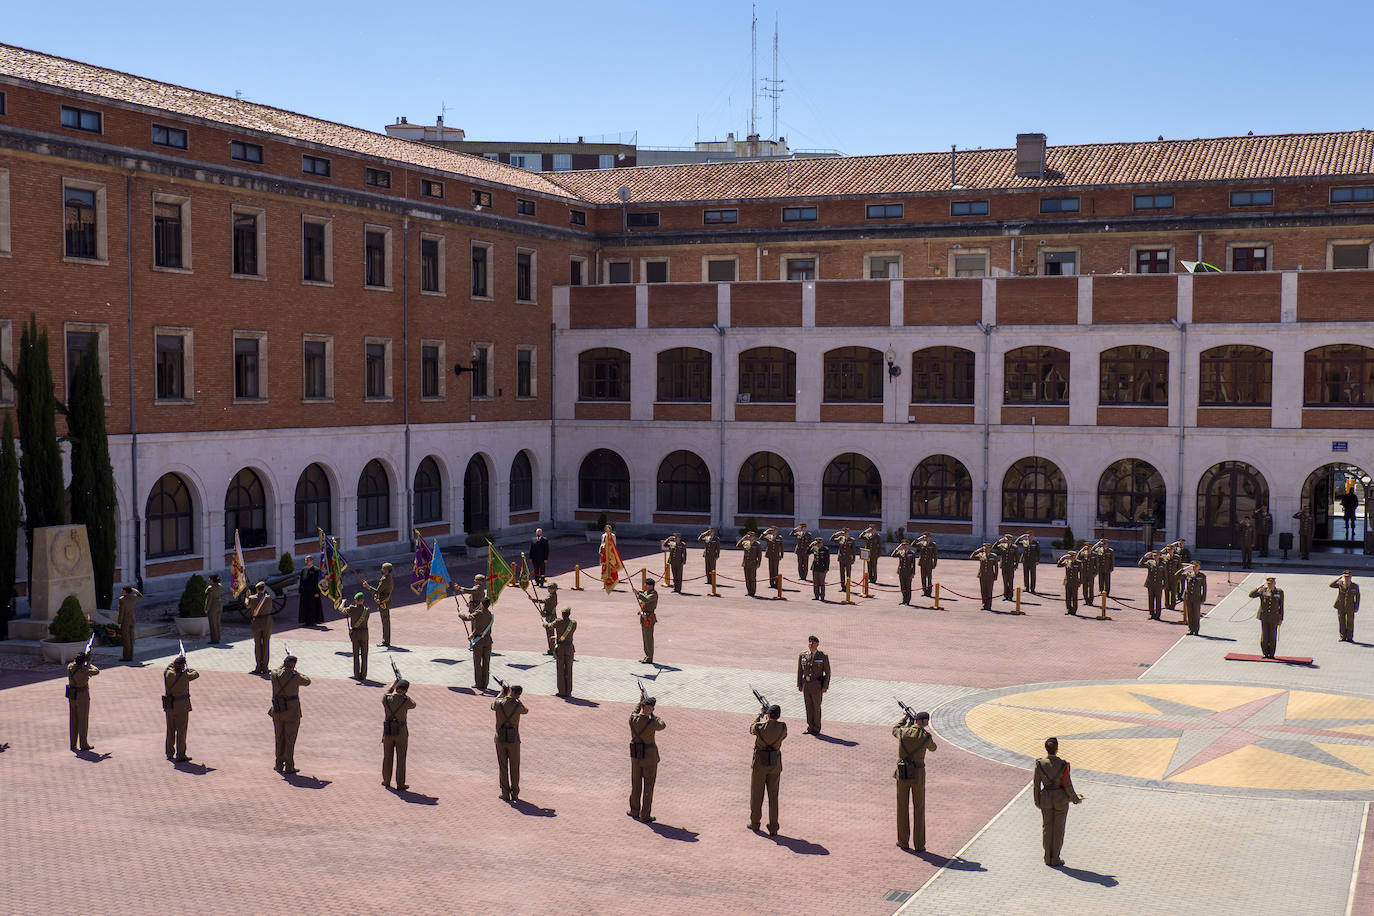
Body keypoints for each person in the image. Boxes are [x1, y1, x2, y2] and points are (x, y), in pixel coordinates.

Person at [1032, 736, 1083, 867]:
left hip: (1045, 799)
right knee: (1058, 829)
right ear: (1057, 749)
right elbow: (1067, 785)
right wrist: (1076, 799)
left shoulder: (1039, 764)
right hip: (1061, 799)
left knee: (1047, 828)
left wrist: (1037, 801)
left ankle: (1047, 857)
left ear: (1046, 749)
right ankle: (1055, 858)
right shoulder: (1063, 764)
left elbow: (1036, 785)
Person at [893, 709, 936, 851]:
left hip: (903, 773)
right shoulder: (926, 736)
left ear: (915, 720)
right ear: (925, 723)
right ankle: (919, 844)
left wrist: (904, 719)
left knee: (902, 807)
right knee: (919, 808)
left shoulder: (904, 733)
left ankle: (903, 841)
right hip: (918, 775)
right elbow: (933, 748)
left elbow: (895, 729)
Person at [748, 704, 787, 836]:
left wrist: (760, 715)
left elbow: (751, 728)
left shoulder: (760, 727)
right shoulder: (782, 727)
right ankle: (774, 827)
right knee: (773, 797)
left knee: (757, 795)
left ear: (768, 715)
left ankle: (755, 823)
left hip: (759, 764)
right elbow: (783, 736)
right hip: (775, 764)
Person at [269, 655, 311, 774]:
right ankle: (289, 766)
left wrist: (285, 665)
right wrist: (295, 670)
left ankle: (278, 764)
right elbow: (307, 681)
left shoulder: (274, 674)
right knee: (290, 739)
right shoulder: (295, 676)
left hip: (277, 710)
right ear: (293, 665)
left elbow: (277, 670)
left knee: (279, 738)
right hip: (291, 712)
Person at [627, 695, 666, 823]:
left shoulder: (632, 719)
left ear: (642, 707)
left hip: (636, 756)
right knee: (648, 786)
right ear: (652, 709)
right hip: (649, 757)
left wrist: (640, 701)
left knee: (636, 784)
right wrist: (653, 715)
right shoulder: (652, 723)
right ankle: (645, 815)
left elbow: (635, 711)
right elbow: (663, 725)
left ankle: (634, 810)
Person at [492, 682, 527, 802]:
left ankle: (505, 793)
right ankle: (515, 793)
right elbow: (525, 711)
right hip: (514, 740)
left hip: (500, 738)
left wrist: (501, 694)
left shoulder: (499, 703)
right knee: (515, 767)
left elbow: (492, 705)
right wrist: (517, 700)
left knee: (503, 766)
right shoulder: (518, 706)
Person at [163, 653, 199, 762]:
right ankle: (181, 754)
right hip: (181, 706)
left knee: (170, 729)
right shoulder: (185, 676)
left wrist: (178, 660)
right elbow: (196, 673)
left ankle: (169, 753)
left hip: (170, 705)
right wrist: (186, 667)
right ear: (182, 666)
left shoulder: (168, 673)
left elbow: (169, 667)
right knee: (181, 731)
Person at [381, 677, 416, 791]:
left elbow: (386, 693)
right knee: (401, 758)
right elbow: (414, 704)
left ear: (396, 687)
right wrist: (404, 695)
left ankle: (386, 781)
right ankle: (400, 784)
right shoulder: (406, 701)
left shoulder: (386, 699)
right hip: (401, 732)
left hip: (388, 731)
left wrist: (392, 685)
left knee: (387, 756)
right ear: (405, 690)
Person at [459, 596, 495, 692]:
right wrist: (473, 634)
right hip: (488, 640)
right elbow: (483, 627)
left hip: (478, 641)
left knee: (477, 662)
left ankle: (479, 683)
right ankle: (485, 683)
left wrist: (460, 612)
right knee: (486, 662)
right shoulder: (490, 615)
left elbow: (468, 617)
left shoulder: (479, 613)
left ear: (482, 604)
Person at [796, 636, 830, 735]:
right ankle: (810, 727)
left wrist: (825, 686)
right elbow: (799, 671)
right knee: (808, 706)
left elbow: (827, 673)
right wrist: (799, 684)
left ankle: (817, 727)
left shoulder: (822, 656)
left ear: (817, 644)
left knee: (816, 706)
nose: (810, 645)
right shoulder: (803, 655)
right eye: (809, 643)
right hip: (806, 684)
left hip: (817, 685)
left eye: (813, 643)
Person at [66, 650, 99, 752]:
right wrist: (89, 663)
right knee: (83, 720)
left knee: (73, 720)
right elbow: (96, 671)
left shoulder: (70, 667)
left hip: (72, 695)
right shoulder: (85, 670)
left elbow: (73, 664)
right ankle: (83, 744)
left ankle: (73, 744)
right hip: (82, 696)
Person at [1249, 576, 1284, 658]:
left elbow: (1281, 606)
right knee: (1264, 636)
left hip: (1274, 617)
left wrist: (1280, 618)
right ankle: (1265, 653)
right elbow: (1251, 595)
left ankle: (1271, 654)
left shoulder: (1279, 592)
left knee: (1272, 636)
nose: (1269, 585)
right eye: (1268, 583)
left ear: (1274, 583)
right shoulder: (1263, 591)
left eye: (1271, 583)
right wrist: (1258, 588)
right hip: (1264, 616)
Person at [363, 562, 395, 648]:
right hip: (386, 601)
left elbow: (377, 591)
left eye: (383, 569)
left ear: (386, 570)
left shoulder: (385, 579)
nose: (382, 570)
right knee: (386, 621)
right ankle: (386, 640)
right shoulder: (388, 577)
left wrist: (368, 587)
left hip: (383, 602)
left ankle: (386, 641)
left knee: (385, 621)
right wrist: (377, 597)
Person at [546, 608, 576, 697]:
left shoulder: (558, 622)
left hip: (560, 648)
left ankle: (561, 691)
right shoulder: (573, 623)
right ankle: (569, 691)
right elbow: (567, 633)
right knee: (569, 670)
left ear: (562, 614)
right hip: (569, 647)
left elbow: (548, 626)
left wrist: (543, 621)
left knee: (560, 670)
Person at [341, 591, 370, 681]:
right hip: (365, 633)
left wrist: (342, 603)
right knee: (364, 655)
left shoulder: (352, 609)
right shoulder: (367, 610)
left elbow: (341, 610)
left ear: (355, 600)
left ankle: (356, 675)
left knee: (356, 655)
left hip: (356, 633)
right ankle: (364, 675)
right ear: (363, 600)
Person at [246, 581, 273, 676]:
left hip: (256, 622)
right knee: (266, 644)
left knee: (257, 645)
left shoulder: (252, 598)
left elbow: (247, 605)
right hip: (267, 622)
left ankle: (258, 667)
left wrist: (247, 597)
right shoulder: (268, 598)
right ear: (264, 589)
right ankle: (265, 667)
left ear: (257, 589)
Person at [1332, 570, 1361, 642]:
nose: (1346, 578)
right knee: (1341, 622)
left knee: (1350, 622)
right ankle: (1343, 637)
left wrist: (1356, 607)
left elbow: (1357, 597)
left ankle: (1350, 638)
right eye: (1345, 577)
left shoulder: (1355, 586)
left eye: (1348, 577)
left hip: (1350, 607)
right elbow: (1331, 585)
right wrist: (1338, 578)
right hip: (1340, 606)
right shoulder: (1340, 584)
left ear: (1351, 577)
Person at [634, 578, 658, 664]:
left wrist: (638, 593)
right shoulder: (646, 592)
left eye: (646, 585)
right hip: (643, 617)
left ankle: (650, 657)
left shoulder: (653, 594)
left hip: (649, 618)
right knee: (645, 638)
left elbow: (646, 599)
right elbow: (641, 604)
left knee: (649, 638)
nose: (645, 586)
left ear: (651, 586)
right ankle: (647, 655)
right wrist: (640, 612)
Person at [1182, 561, 1208, 636]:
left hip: (1197, 597)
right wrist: (1184, 569)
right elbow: (1177, 575)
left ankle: (1196, 630)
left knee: (1196, 614)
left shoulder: (1202, 576)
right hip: (1189, 597)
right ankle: (1190, 629)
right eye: (1193, 566)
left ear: (1199, 567)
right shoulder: (1188, 574)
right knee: (1190, 613)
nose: (1194, 568)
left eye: (1196, 566)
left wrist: (1203, 599)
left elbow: (1204, 588)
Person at [117, 584, 142, 661]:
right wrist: (136, 590)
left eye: (123, 590)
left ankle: (126, 657)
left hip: (125, 621)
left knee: (126, 639)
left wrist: (119, 622)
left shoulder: (122, 599)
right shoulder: (133, 597)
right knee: (131, 638)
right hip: (132, 619)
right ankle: (131, 655)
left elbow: (121, 612)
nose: (122, 591)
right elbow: (140, 596)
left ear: (125, 591)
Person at [971, 544, 997, 611]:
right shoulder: (981, 555)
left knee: (989, 591)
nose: (986, 550)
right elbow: (972, 557)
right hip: (982, 576)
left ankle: (988, 605)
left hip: (990, 576)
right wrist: (977, 551)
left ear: (990, 549)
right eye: (985, 549)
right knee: (983, 591)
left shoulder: (993, 556)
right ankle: (984, 604)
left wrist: (995, 576)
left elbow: (996, 567)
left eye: (987, 548)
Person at [298, 555, 322, 626]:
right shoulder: (303, 570)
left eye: (308, 560)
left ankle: (312, 621)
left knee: (312, 607)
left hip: (313, 592)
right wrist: (300, 589)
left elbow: (318, 582)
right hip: (305, 592)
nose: (307, 562)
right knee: (304, 606)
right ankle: (305, 621)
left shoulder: (316, 570)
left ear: (312, 561)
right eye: (306, 560)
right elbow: (301, 580)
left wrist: (317, 592)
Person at [1139, 551, 1164, 619]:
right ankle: (1152, 614)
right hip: (1151, 584)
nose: (1155, 557)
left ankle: (1158, 615)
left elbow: (1165, 575)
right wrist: (1145, 557)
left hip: (1159, 585)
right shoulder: (1150, 562)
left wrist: (1164, 584)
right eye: (1154, 555)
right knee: (1151, 600)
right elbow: (1140, 564)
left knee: (1158, 600)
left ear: (1159, 556)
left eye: (1157, 555)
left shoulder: (1163, 563)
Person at [831, 527, 857, 592]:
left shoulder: (852, 540)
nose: (846, 533)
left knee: (848, 573)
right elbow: (832, 540)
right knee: (842, 573)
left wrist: (853, 558)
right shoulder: (840, 538)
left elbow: (853, 550)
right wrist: (837, 533)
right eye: (844, 532)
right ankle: (843, 587)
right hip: (841, 559)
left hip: (848, 559)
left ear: (848, 533)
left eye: (846, 532)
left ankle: (847, 586)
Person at [737, 531, 762, 597]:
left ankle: (753, 592)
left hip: (753, 563)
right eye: (749, 536)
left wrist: (758, 563)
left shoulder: (757, 544)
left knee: (752, 578)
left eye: (752, 536)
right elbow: (738, 545)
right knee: (747, 578)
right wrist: (743, 539)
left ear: (754, 537)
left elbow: (759, 555)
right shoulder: (745, 543)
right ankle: (749, 591)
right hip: (746, 563)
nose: (751, 537)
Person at [202, 574, 225, 644]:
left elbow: (209, 599)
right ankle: (218, 637)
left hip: (213, 606)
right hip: (219, 604)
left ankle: (214, 639)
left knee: (212, 623)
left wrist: (206, 608)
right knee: (217, 622)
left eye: (210, 579)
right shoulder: (219, 586)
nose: (209, 580)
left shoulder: (210, 588)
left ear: (212, 580)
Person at [996, 535, 1019, 601]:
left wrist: (1016, 565)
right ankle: (1005, 595)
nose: (1007, 541)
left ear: (1011, 540)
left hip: (1011, 566)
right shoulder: (1002, 545)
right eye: (1006, 540)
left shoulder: (1014, 547)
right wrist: (999, 541)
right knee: (1005, 581)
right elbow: (994, 547)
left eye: (1009, 540)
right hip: (1004, 566)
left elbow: (1017, 557)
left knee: (1011, 581)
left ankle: (1010, 596)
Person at [893, 540, 916, 605]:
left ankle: (908, 601)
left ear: (908, 545)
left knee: (908, 587)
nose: (904, 546)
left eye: (905, 545)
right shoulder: (900, 552)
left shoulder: (911, 553)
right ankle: (904, 600)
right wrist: (898, 548)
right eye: (903, 545)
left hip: (908, 572)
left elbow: (913, 564)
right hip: (901, 572)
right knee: (902, 587)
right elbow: (893, 555)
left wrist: (913, 573)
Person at [762, 526, 785, 591]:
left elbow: (782, 547)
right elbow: (761, 537)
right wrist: (766, 532)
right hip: (770, 555)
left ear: (776, 531)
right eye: (772, 530)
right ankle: (771, 583)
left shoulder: (779, 537)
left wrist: (781, 555)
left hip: (776, 556)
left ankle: (776, 583)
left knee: (775, 570)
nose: (773, 532)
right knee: (771, 570)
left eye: (774, 530)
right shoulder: (768, 536)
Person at [916, 533, 939, 597]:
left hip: (929, 564)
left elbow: (935, 555)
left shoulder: (933, 544)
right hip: (922, 563)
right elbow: (913, 544)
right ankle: (924, 591)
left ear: (930, 537)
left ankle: (929, 592)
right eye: (925, 537)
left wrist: (934, 563)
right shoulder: (921, 543)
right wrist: (919, 538)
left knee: (929, 578)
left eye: (927, 537)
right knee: (923, 578)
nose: (926, 538)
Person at [540, 582, 559, 655]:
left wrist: (533, 599)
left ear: (554, 589)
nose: (548, 589)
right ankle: (552, 648)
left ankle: (552, 649)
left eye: (550, 588)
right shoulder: (552, 595)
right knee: (550, 633)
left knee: (550, 633)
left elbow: (544, 601)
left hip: (550, 617)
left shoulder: (552, 597)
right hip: (550, 615)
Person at [1058, 551, 1079, 615]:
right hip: (1067, 582)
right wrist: (1062, 558)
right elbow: (1059, 565)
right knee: (1068, 597)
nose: (1071, 558)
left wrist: (1080, 582)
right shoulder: (1067, 562)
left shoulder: (1078, 563)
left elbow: (1081, 573)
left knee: (1074, 597)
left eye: (1073, 556)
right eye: (1070, 556)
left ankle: (1074, 610)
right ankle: (1069, 609)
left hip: (1075, 582)